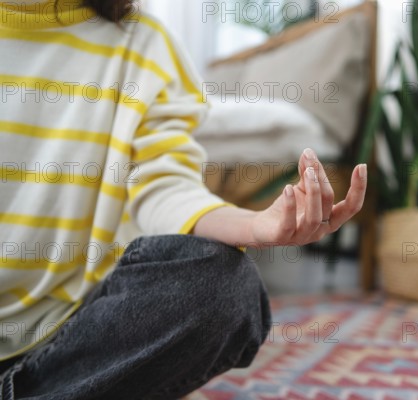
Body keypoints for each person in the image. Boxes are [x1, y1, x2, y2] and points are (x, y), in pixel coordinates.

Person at [0, 0, 367, 398]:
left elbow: (165, 185)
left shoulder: (146, 46)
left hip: (66, 341)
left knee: (224, 287)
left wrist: (255, 225)